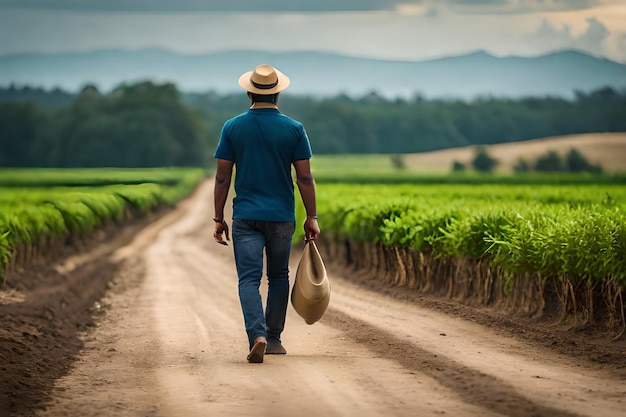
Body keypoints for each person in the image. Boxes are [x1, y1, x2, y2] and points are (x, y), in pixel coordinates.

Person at [212, 64, 320, 364]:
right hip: (281, 215)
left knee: (248, 279)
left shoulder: (232, 127)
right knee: (278, 276)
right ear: (278, 93)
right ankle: (273, 338)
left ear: (249, 92)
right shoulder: (294, 129)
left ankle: (255, 334)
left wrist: (218, 218)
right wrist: (312, 216)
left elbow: (222, 177)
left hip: (245, 215)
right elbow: (305, 178)